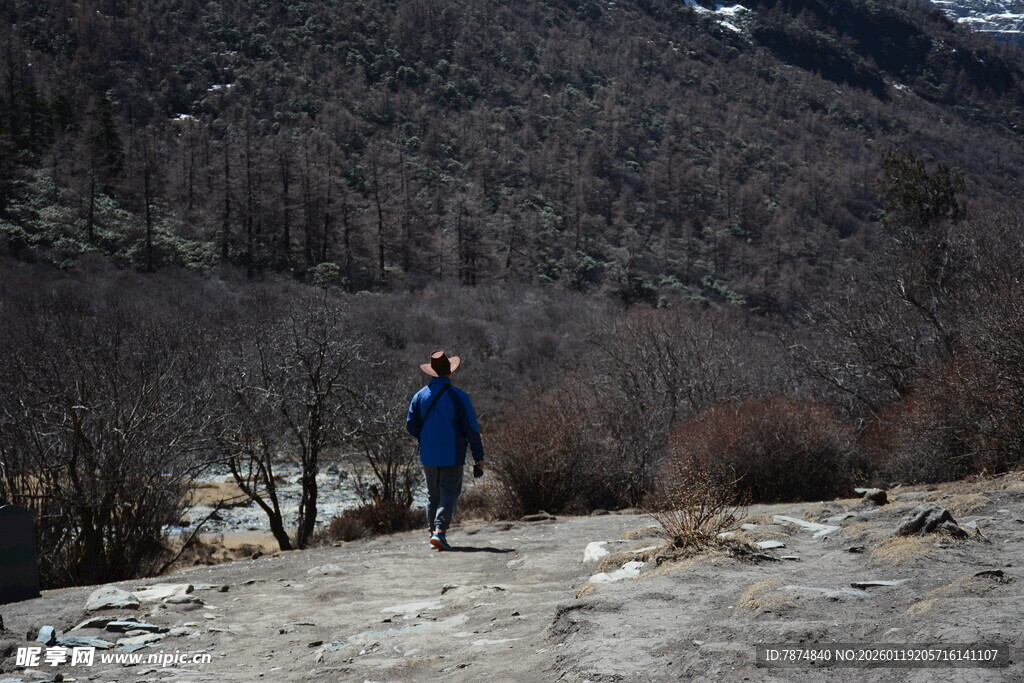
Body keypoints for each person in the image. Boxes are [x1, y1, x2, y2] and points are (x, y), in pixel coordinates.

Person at [406, 350, 485, 551]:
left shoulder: (419, 396)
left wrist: (426, 438)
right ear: (449, 371)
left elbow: (410, 424)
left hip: (429, 454)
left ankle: (433, 534)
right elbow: (471, 429)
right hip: (453, 452)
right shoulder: (459, 397)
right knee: (449, 493)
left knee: (433, 496)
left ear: (431, 372)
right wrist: (479, 457)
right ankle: (440, 532)